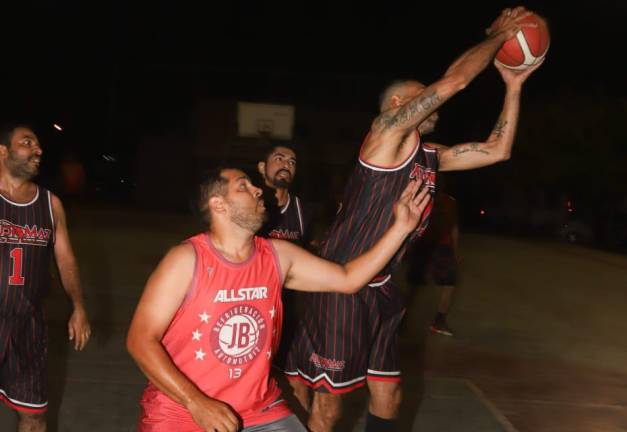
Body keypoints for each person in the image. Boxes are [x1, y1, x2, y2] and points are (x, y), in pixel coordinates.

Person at [284, 7, 544, 431]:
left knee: (389, 392)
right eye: (423, 93)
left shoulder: (431, 155)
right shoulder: (384, 135)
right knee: (329, 407)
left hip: (383, 287)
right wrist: (503, 36)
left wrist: (513, 86)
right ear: (400, 104)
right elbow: (456, 81)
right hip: (340, 283)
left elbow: (498, 150)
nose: (434, 98)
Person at [126, 167, 431, 432]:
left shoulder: (277, 255)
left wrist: (401, 228)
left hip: (259, 410)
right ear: (218, 204)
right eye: (243, 186)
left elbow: (348, 279)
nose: (259, 189)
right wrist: (197, 402)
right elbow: (140, 340)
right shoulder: (186, 259)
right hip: (181, 410)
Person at [0, 123, 91, 431]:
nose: (38, 150)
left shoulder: (50, 204)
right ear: (3, 151)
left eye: (38, 144)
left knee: (34, 417)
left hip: (28, 326)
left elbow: (65, 259)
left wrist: (77, 306)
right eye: (27, 143)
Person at [409, 190, 460, 337]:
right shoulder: (422, 197)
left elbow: (454, 227)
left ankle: (439, 321)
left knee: (449, 282)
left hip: (442, 246)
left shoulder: (450, 201)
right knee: (414, 285)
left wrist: (455, 252)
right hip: (424, 245)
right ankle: (401, 320)